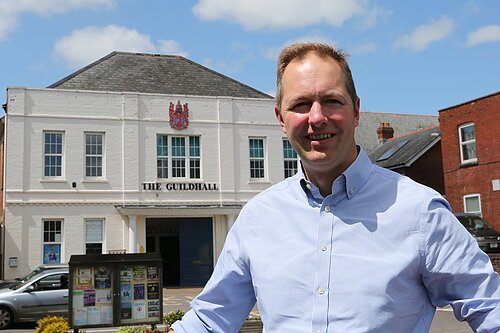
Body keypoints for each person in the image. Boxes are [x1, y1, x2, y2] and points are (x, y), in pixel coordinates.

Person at [169, 43, 500, 332]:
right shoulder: (258, 216)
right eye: (300, 104)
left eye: (331, 101)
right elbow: (209, 321)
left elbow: (490, 309)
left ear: (356, 111)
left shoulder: (420, 212)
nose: (316, 117)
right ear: (280, 119)